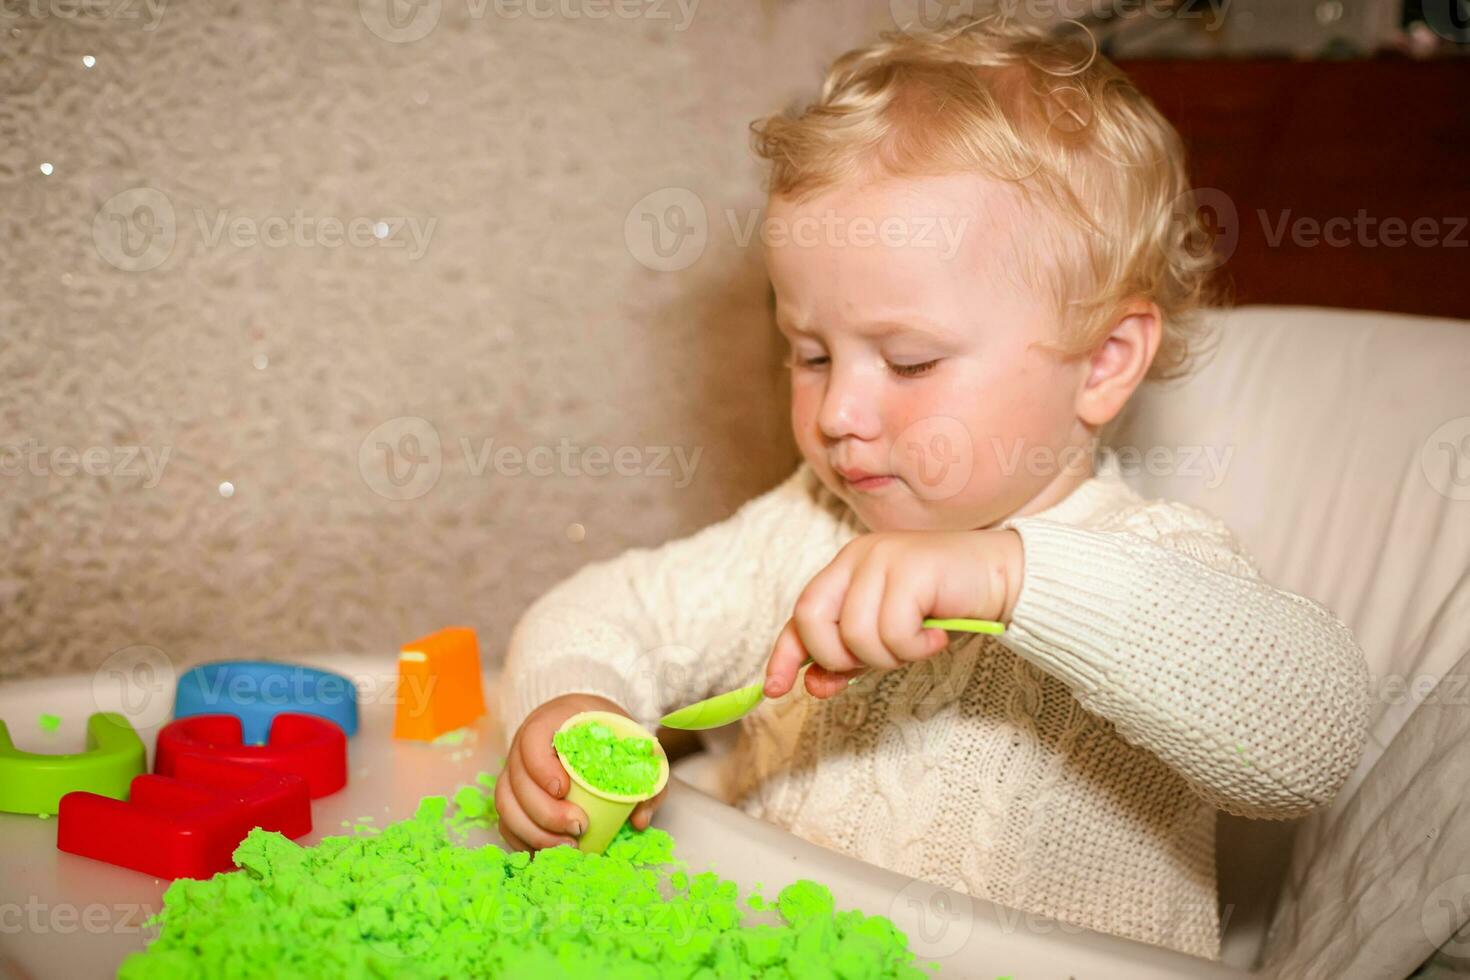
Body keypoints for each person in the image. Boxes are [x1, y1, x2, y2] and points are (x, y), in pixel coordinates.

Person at [493, 14, 1370, 960]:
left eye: (909, 362)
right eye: (811, 355)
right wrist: (571, 706)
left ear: (1105, 361)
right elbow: (597, 610)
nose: (838, 413)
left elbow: (1311, 737)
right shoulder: (805, 526)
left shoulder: (1149, 563)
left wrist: (1011, 581)